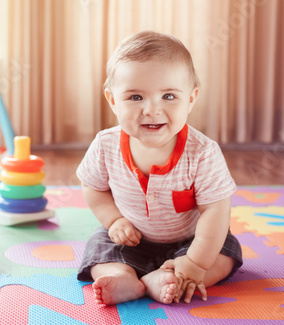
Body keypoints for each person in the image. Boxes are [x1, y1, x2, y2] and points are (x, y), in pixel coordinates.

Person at [76, 31, 242, 305]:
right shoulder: (105, 145)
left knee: (224, 252)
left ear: (191, 98)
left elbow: (216, 210)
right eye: (135, 97)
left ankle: (173, 277)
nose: (151, 109)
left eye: (168, 96)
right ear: (112, 99)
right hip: (131, 238)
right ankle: (124, 277)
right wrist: (114, 220)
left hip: (191, 240)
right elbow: (93, 188)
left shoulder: (202, 152)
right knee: (98, 249)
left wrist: (196, 263)